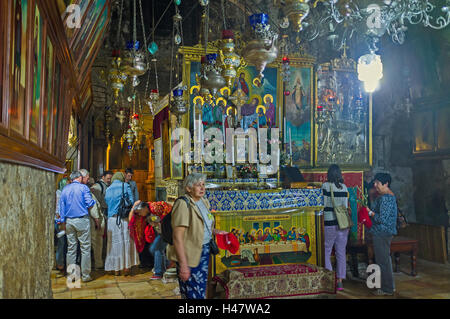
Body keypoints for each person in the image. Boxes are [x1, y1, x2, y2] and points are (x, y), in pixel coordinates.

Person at [167, 173, 226, 299]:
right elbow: (177, 237)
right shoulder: (183, 204)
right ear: (188, 188)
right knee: (193, 292)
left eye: (203, 185)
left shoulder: (204, 202)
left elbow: (202, 225)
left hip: (203, 251)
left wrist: (216, 232)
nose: (202, 188)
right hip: (189, 255)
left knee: (199, 290)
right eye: (198, 185)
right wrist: (183, 265)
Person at [59, 169, 95, 282]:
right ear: (79, 177)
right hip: (82, 220)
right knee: (85, 248)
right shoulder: (83, 188)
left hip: (69, 221)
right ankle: (85, 276)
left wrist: (62, 221)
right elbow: (90, 203)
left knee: (71, 249)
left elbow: (61, 208)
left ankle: (72, 276)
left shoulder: (65, 189)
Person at [368, 172, 398, 296]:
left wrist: (370, 213)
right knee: (384, 260)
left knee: (383, 261)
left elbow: (382, 219)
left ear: (386, 184)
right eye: (374, 182)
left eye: (377, 183)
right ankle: (388, 286)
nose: (375, 185)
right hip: (381, 232)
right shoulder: (385, 196)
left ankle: (388, 289)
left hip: (382, 232)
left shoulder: (386, 198)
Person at [104, 172, 139, 276]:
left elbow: (106, 202)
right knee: (125, 242)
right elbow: (131, 201)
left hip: (111, 220)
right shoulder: (125, 186)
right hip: (123, 219)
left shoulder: (108, 189)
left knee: (114, 244)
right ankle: (126, 267)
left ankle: (116, 269)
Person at [322, 164, 350, 291]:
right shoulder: (344, 187)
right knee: (341, 252)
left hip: (329, 222)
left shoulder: (326, 186)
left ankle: (329, 279)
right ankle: (339, 281)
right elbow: (345, 205)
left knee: (327, 250)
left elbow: (323, 204)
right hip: (343, 223)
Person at [130, 201, 170, 280]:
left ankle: (159, 272)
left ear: (144, 208)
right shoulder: (149, 210)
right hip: (164, 229)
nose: (140, 215)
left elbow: (162, 220)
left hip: (167, 228)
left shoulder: (154, 208)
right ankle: (164, 267)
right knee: (157, 249)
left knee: (157, 248)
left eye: (140, 212)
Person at [88, 178, 106, 270]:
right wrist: (97, 221)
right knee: (97, 243)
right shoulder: (90, 195)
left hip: (90, 221)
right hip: (94, 221)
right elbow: (93, 209)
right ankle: (98, 263)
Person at [55, 177, 70, 277]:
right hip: (61, 222)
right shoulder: (60, 194)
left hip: (59, 221)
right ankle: (61, 266)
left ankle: (61, 265)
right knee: (62, 244)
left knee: (62, 243)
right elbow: (59, 210)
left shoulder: (57, 193)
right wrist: (61, 222)